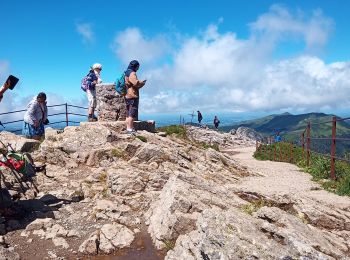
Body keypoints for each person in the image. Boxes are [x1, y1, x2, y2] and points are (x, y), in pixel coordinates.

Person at [124, 60, 146, 135]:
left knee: (128, 113)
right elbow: (135, 83)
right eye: (138, 67)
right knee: (132, 113)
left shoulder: (126, 72)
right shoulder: (132, 73)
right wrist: (142, 83)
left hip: (127, 94)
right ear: (135, 66)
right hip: (132, 94)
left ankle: (128, 128)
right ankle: (130, 129)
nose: (138, 68)